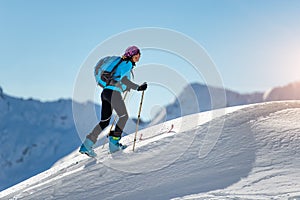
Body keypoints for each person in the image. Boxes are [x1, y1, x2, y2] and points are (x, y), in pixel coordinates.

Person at [79, 46, 147, 156]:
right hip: (114, 93)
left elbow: (119, 79)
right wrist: (138, 87)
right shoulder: (127, 64)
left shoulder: (120, 63)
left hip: (105, 93)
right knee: (124, 116)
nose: (138, 58)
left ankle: (86, 145)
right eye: (136, 56)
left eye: (138, 57)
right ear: (130, 55)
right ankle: (114, 143)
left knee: (104, 122)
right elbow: (124, 80)